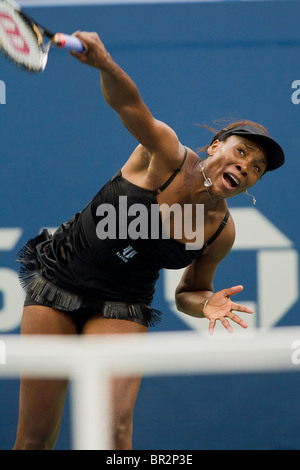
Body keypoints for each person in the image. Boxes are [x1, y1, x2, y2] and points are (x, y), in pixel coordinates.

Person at [13, 31, 285, 451]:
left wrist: (206, 302)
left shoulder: (220, 230)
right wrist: (105, 64)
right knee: (34, 438)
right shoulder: (165, 155)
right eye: (243, 151)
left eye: (257, 167)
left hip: (123, 303)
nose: (247, 165)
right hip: (59, 282)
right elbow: (128, 104)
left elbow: (191, 292)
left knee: (115, 437)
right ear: (216, 146)